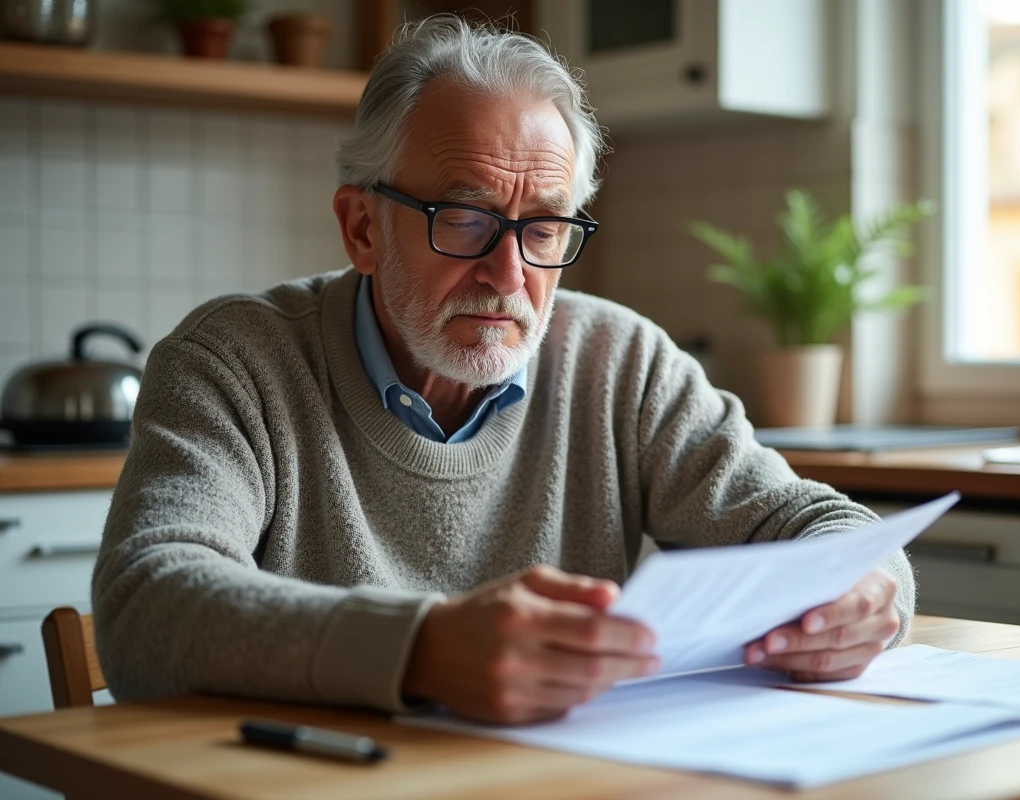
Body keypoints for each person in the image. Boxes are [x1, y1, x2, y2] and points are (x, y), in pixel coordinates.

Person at [92, 15, 914, 725]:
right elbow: (147, 604)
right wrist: (421, 649)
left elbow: (809, 522)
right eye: (466, 218)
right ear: (363, 228)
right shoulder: (233, 363)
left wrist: (869, 588)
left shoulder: (620, 363)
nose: (508, 273)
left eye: (544, 228)